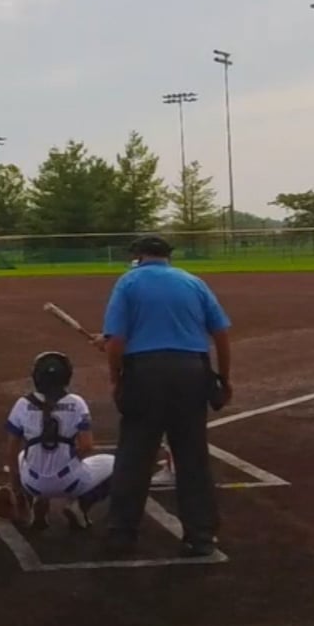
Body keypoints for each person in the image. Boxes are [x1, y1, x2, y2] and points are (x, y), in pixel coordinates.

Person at [94, 235, 232, 560]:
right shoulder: (193, 282)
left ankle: (122, 534)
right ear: (168, 256)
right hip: (191, 372)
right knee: (192, 456)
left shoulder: (128, 283)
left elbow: (116, 341)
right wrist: (223, 379)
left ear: (138, 256)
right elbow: (221, 333)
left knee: (134, 454)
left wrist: (115, 378)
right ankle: (200, 537)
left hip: (145, 373)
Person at [0, 351, 115, 531]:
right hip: (70, 483)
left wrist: (17, 489)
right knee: (118, 465)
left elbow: (10, 452)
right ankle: (81, 505)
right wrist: (69, 462)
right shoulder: (77, 403)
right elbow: (87, 446)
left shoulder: (22, 404)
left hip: (32, 484)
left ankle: (33, 502)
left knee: (23, 455)